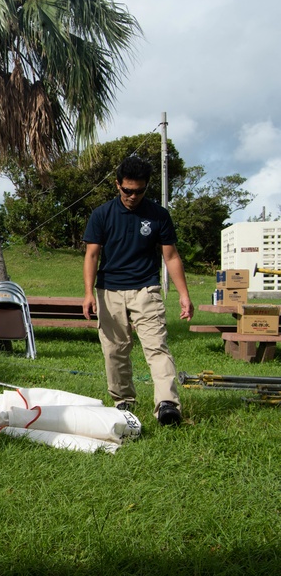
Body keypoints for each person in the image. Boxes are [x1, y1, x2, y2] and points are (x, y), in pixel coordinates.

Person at [82, 155, 194, 426]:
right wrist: (88, 293)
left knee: (157, 347)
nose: (133, 196)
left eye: (139, 191)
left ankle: (167, 404)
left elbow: (171, 257)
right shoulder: (102, 215)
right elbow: (92, 255)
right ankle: (123, 401)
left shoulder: (158, 215)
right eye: (127, 190)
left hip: (146, 289)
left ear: (147, 187)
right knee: (115, 350)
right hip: (109, 291)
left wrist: (184, 294)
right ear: (117, 185)